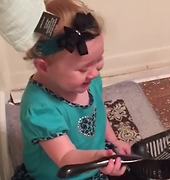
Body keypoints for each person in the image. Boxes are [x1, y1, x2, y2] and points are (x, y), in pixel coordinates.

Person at [14, 0, 132, 179]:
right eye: (83, 69)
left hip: (94, 158)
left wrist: (113, 140)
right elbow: (65, 157)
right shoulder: (39, 108)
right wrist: (98, 160)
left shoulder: (89, 79)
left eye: (98, 60)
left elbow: (99, 111)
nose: (94, 72)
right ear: (44, 67)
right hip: (63, 173)